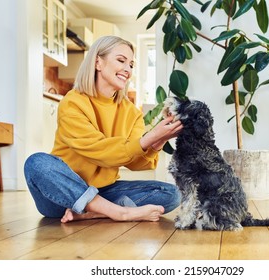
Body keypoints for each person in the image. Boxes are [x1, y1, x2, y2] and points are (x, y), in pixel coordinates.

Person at [24, 36, 183, 223]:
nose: (128, 69)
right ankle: (119, 212)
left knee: (172, 193)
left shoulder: (131, 112)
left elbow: (136, 164)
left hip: (104, 190)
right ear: (98, 62)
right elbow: (98, 150)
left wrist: (158, 141)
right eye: (121, 61)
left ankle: (93, 211)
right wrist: (150, 137)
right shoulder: (72, 102)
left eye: (131, 64)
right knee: (36, 163)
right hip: (62, 193)